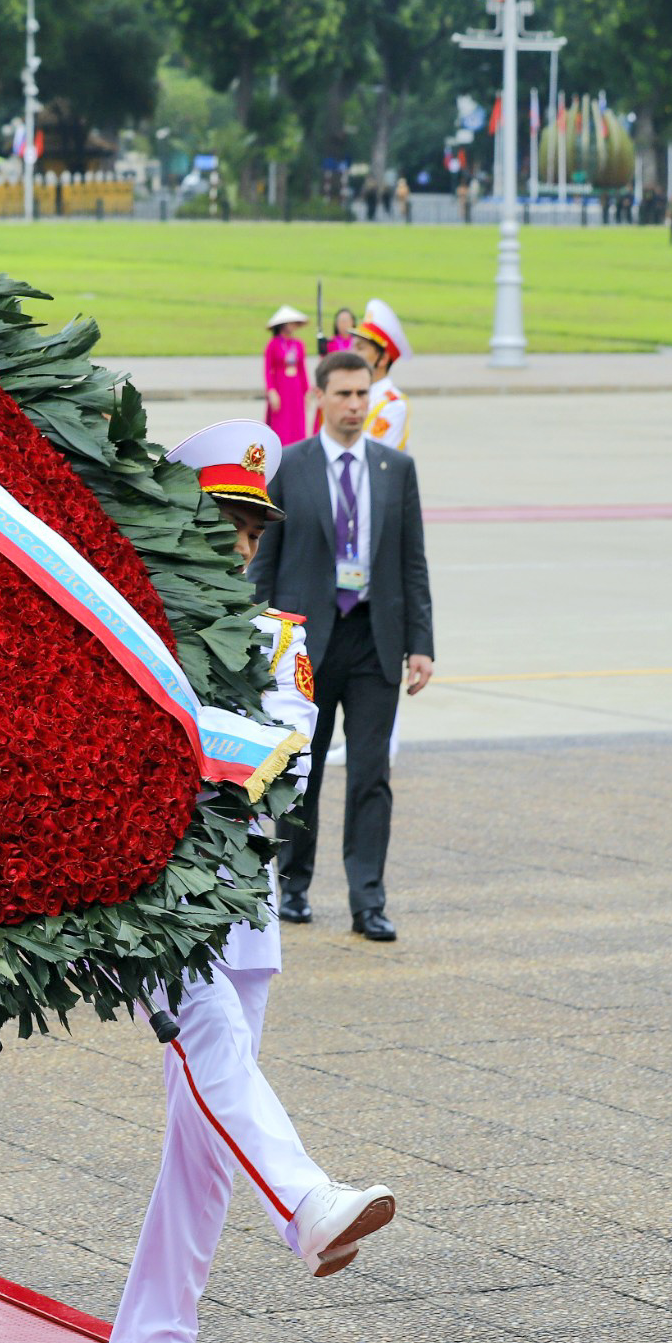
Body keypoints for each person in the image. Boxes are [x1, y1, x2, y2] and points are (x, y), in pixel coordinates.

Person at [111, 419, 396, 1343]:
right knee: (211, 1042)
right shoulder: (126, 622)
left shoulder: (276, 636)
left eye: (246, 525)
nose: (237, 543)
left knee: (201, 1141)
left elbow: (290, 772)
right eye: (221, 519)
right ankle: (307, 1201)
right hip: (148, 892)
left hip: (241, 897)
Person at [249, 352, 434, 942]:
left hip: (375, 640)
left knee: (371, 774)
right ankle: (295, 887)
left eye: (363, 395)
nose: (356, 406)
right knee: (301, 770)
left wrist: (421, 644)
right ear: (320, 399)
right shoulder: (291, 467)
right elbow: (264, 565)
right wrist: (256, 641)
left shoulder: (395, 468)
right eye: (345, 395)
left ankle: (368, 899)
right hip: (307, 643)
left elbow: (412, 562)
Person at [355, 298, 412, 454]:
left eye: (360, 348)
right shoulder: (354, 394)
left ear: (383, 359)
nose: (352, 354)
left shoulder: (393, 405)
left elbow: (374, 454)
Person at [262, 306, 309, 446]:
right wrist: (271, 391)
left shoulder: (298, 345)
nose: (293, 326)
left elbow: (302, 369)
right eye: (290, 323)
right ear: (282, 325)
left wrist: (306, 391)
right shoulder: (273, 345)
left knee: (297, 422)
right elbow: (267, 369)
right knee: (281, 423)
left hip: (296, 388)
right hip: (281, 387)